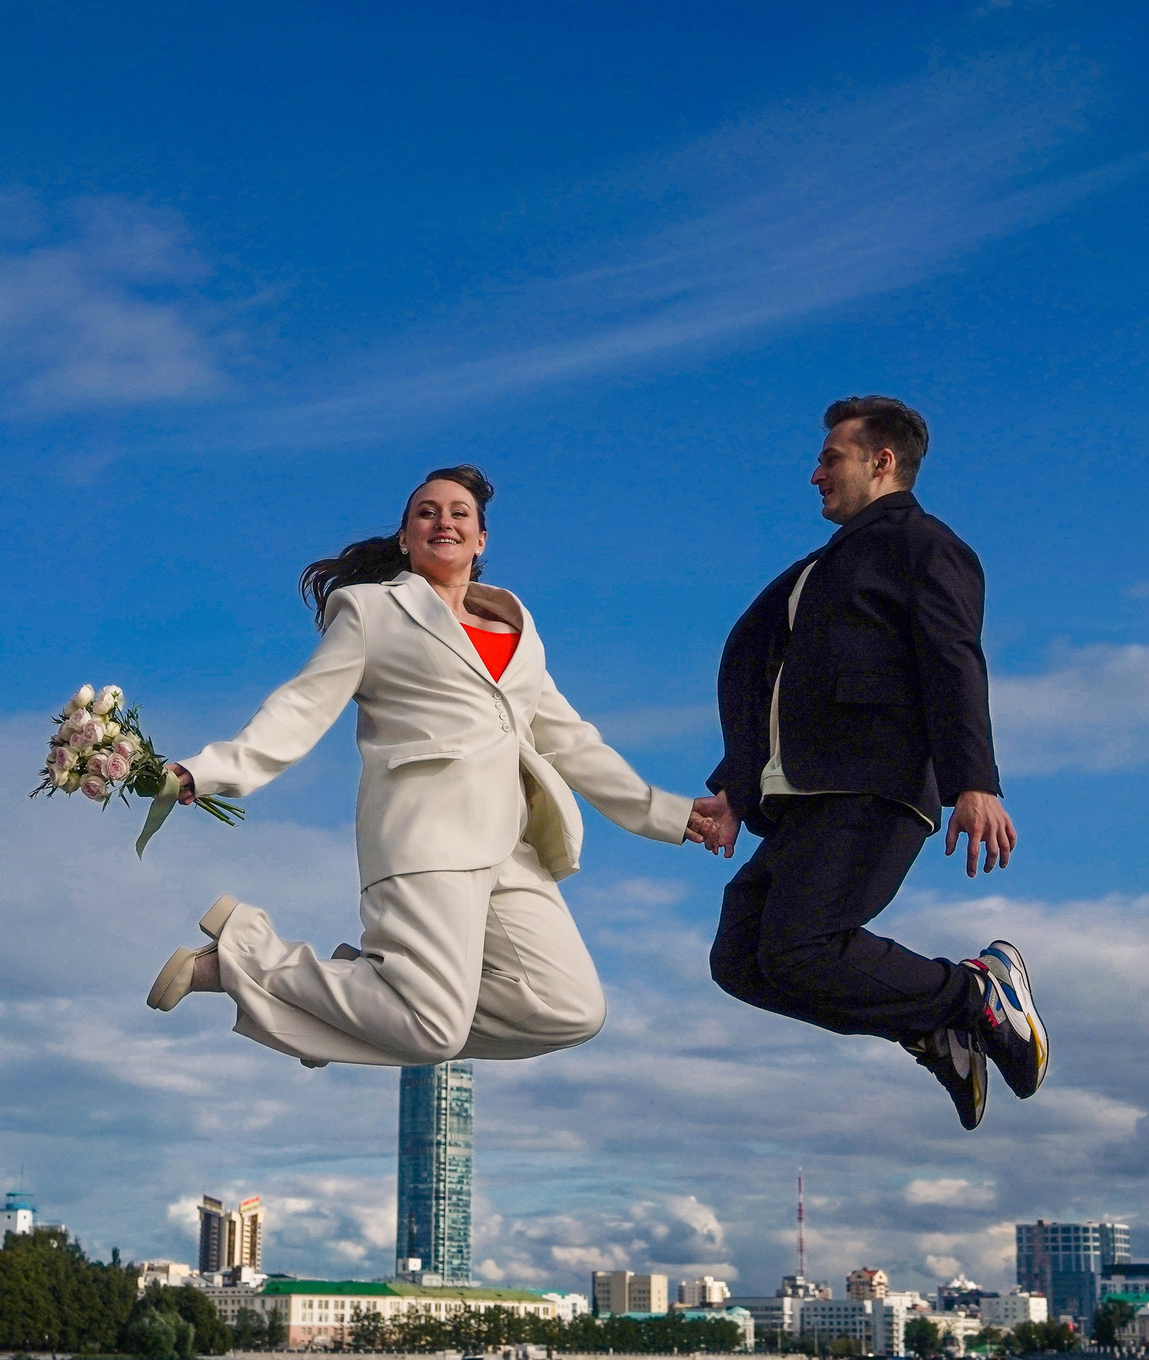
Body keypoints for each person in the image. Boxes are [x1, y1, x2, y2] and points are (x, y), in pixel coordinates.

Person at [149, 466, 714, 1067]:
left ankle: (360, 1001)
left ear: (481, 540)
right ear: (405, 538)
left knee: (568, 1008)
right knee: (431, 1032)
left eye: (459, 512)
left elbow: (572, 741)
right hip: (426, 835)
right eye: (427, 511)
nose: (443, 520)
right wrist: (203, 772)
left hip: (512, 844)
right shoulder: (371, 610)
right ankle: (247, 951)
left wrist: (673, 816)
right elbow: (300, 709)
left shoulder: (517, 633)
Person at [692, 396, 1048, 1131]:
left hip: (870, 783)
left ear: (882, 462)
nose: (815, 472)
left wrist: (973, 779)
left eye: (832, 457)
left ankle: (976, 991)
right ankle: (929, 1027)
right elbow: (765, 677)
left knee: (801, 946)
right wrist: (734, 781)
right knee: (742, 960)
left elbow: (953, 658)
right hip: (800, 796)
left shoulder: (925, 544)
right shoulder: (816, 570)